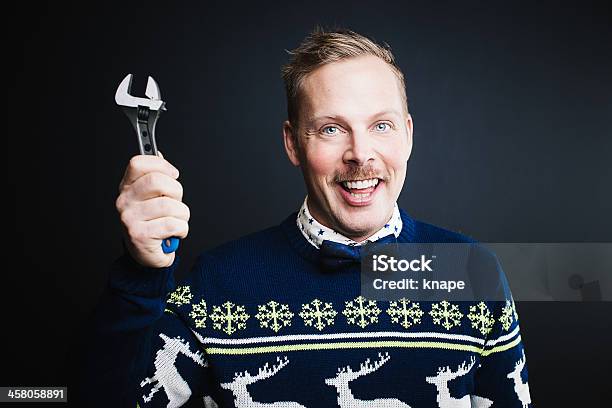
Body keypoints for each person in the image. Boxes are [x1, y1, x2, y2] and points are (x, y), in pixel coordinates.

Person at [73, 27, 531, 408]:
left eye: (381, 125)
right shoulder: (218, 281)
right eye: (331, 129)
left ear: (408, 135)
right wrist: (140, 275)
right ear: (293, 144)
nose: (360, 155)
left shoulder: (471, 271)